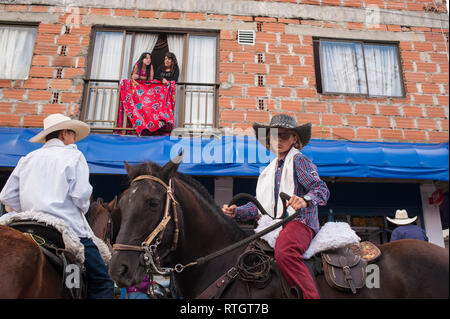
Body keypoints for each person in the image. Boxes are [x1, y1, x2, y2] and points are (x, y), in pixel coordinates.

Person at [0, 113, 115, 299]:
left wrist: (30, 207)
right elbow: (81, 197)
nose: (73, 139)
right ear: (63, 134)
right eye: (72, 135)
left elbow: (7, 196)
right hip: (64, 228)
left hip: (23, 223)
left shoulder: (28, 158)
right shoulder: (74, 156)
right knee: (103, 281)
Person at [222, 114, 330, 299]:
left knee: (285, 252)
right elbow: (261, 206)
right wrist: (236, 211)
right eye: (274, 135)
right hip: (276, 224)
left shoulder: (299, 160)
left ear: (294, 138)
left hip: (300, 221)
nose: (278, 139)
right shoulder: (269, 169)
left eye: (285, 135)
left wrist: (305, 199)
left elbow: (320, 188)